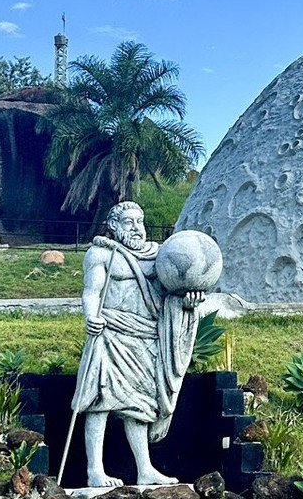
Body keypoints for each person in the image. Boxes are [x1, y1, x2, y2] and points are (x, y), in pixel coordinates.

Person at [72, 201, 204, 487]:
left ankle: (145, 469)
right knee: (99, 401)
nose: (136, 228)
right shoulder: (102, 253)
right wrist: (91, 316)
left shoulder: (158, 256)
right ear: (114, 227)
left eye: (139, 221)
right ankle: (95, 470)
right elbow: (91, 291)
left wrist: (190, 301)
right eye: (129, 222)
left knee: (140, 404)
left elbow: (174, 293)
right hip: (110, 333)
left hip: (145, 337)